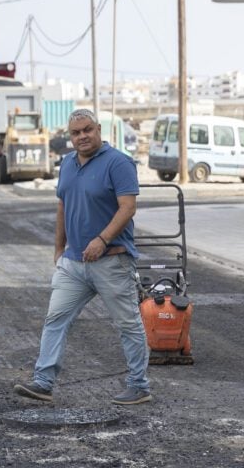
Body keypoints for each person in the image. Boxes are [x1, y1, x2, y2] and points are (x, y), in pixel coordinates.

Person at [14, 108, 151, 406]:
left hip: (112, 261)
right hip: (74, 264)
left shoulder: (118, 163)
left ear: (99, 129)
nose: (82, 137)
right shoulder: (67, 164)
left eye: (87, 130)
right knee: (55, 319)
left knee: (127, 323)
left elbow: (127, 207)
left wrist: (102, 240)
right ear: (70, 136)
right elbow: (63, 206)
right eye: (76, 133)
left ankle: (139, 385)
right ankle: (43, 382)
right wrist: (58, 250)